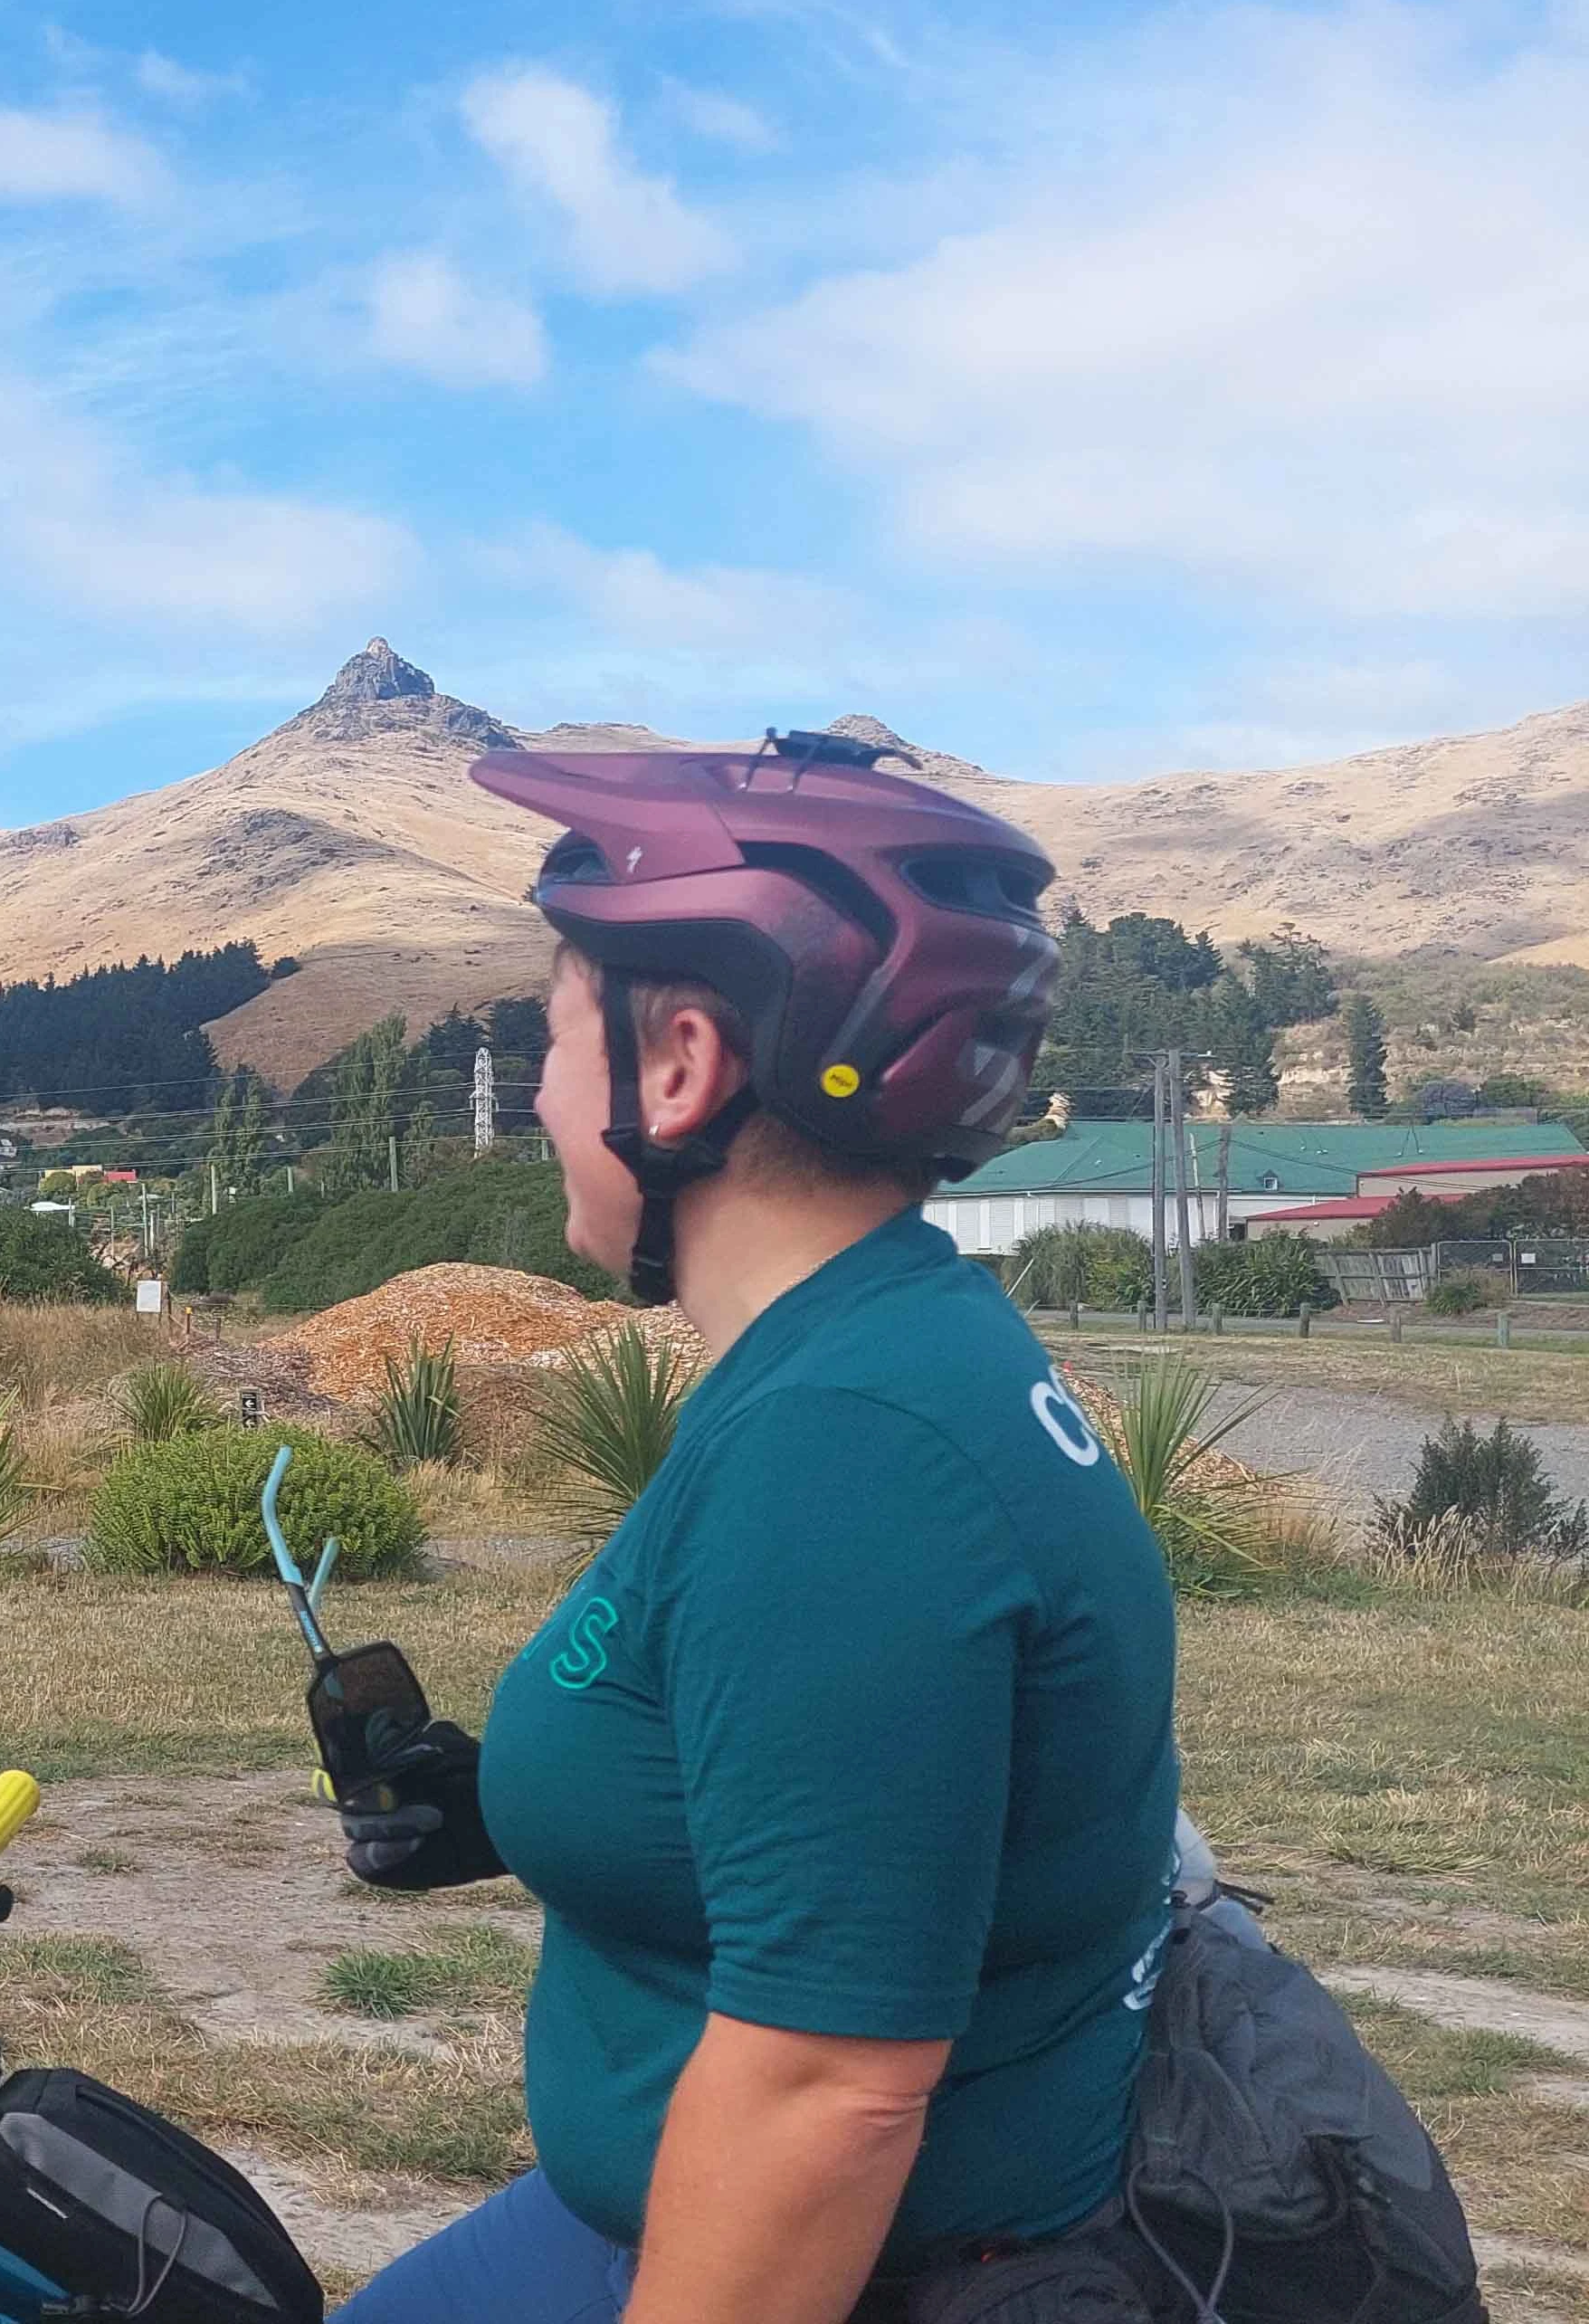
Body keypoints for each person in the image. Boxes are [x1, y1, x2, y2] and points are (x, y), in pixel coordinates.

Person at [331, 732, 1180, 2324]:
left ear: (681, 1066)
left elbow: (826, 2093)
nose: (535, 1100)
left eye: (553, 1039)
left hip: (831, 2262)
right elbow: (874, 1785)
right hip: (665, 2214)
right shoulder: (881, 1345)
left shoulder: (849, 1450)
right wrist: (513, 1806)